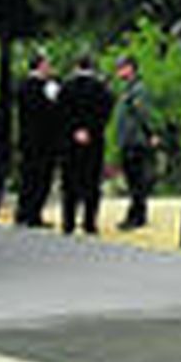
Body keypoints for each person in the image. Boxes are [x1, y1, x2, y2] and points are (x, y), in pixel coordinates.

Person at [58, 55, 114, 235]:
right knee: (91, 181)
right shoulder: (101, 88)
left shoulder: (66, 87)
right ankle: (89, 223)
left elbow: (59, 112)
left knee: (69, 181)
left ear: (76, 66)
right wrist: (90, 130)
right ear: (92, 67)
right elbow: (106, 112)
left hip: (70, 141)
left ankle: (68, 222)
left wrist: (75, 130)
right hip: (94, 140)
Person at [15, 52, 62, 228]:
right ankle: (34, 215)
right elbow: (49, 114)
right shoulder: (44, 87)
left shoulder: (22, 86)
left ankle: (22, 213)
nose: (49, 68)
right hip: (43, 141)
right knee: (41, 179)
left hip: (27, 140)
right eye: (47, 64)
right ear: (41, 66)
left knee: (27, 178)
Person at [113, 55, 160, 231]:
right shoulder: (127, 89)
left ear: (131, 68)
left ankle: (136, 216)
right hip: (127, 140)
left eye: (121, 67)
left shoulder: (138, 90)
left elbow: (144, 114)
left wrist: (151, 133)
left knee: (136, 181)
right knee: (132, 180)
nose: (118, 71)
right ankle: (137, 215)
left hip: (136, 141)